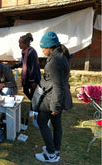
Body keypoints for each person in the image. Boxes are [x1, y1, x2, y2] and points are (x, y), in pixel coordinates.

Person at [35, 31, 73, 163]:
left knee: (41, 121)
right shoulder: (63, 55)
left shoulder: (54, 62)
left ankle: (51, 154)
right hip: (59, 96)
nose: (42, 51)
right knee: (56, 124)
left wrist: (55, 107)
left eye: (43, 48)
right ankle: (55, 149)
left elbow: (57, 85)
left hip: (53, 97)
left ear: (50, 47)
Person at [11, 33, 41, 100]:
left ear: (26, 44)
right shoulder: (24, 51)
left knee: (33, 94)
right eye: (19, 43)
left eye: (21, 43)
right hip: (27, 76)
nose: (19, 45)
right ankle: (35, 105)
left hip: (33, 76)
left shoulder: (31, 51)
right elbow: (22, 61)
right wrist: (13, 67)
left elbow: (34, 66)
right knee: (25, 91)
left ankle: (34, 107)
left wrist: (32, 80)